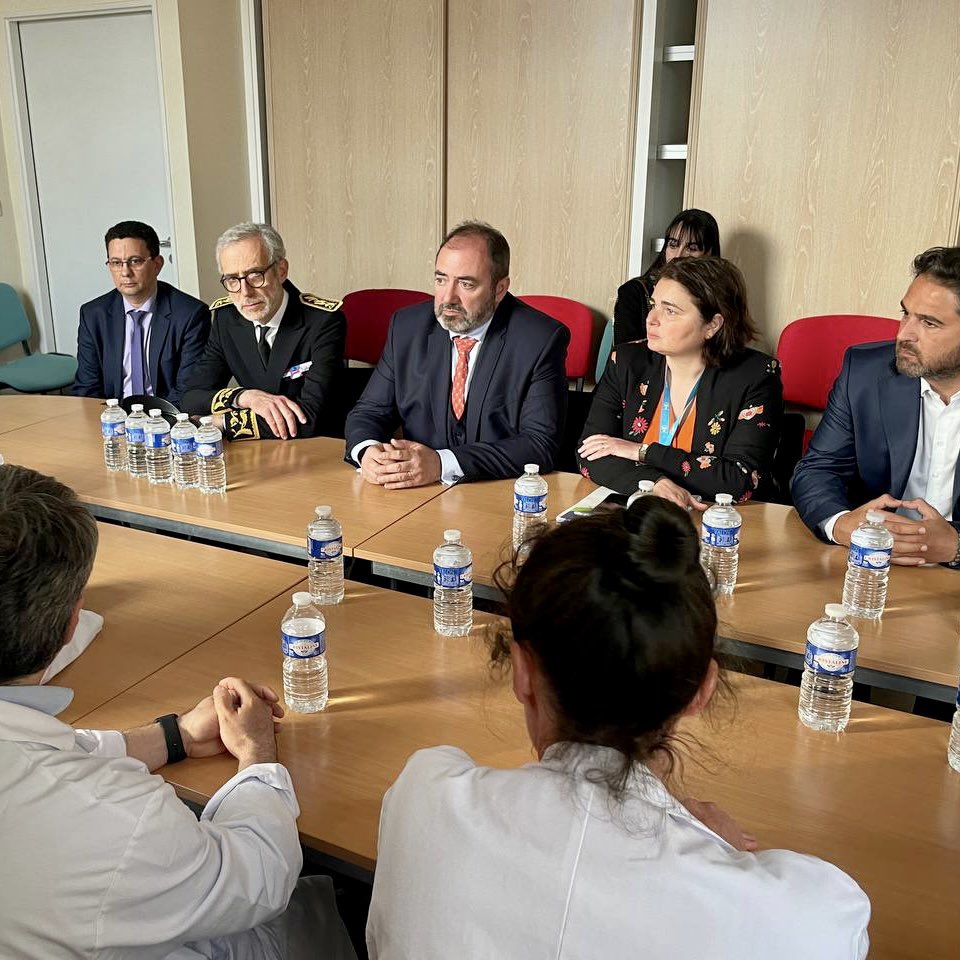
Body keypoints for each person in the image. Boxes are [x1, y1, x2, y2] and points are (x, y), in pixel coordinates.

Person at [366, 498, 870, 958]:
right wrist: (711, 844)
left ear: (521, 672)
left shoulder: (423, 798)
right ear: (702, 690)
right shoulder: (805, 919)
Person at [0, 464, 355, 959]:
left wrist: (176, 736)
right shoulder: (114, 815)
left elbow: (52, 755)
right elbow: (259, 881)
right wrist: (257, 755)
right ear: (72, 623)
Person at [344, 221, 569, 487]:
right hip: (417, 491)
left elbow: (539, 444)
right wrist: (367, 452)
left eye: (466, 284)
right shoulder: (407, 327)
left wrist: (442, 464)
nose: (448, 297)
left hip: (498, 492)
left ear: (499, 289)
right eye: (441, 280)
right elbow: (369, 412)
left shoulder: (539, 339)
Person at [792, 246, 960, 567]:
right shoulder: (865, 373)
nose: (904, 334)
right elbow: (818, 470)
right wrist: (841, 524)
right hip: (871, 565)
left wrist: (957, 547)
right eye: (906, 313)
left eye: (929, 323)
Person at [579, 256, 783, 507]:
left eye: (670, 311)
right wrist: (655, 482)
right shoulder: (626, 361)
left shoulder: (756, 375)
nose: (651, 319)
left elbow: (738, 480)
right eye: (653, 305)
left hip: (717, 520)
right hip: (640, 513)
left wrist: (641, 451)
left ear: (712, 325)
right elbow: (589, 452)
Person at [181, 223, 346, 441]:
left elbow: (309, 418)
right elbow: (191, 398)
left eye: (255, 275)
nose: (245, 292)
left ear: (281, 270)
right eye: (232, 279)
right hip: (257, 448)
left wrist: (219, 422)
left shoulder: (323, 322)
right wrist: (243, 397)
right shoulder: (226, 319)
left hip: (315, 446)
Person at [72, 221, 209, 406]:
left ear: (157, 264)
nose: (125, 272)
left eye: (135, 261)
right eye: (116, 263)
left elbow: (188, 390)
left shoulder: (190, 315)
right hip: (112, 417)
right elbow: (87, 389)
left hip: (166, 416)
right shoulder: (93, 315)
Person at [613, 208, 721, 345]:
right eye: (673, 245)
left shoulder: (718, 296)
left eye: (692, 248)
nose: (678, 256)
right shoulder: (633, 292)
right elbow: (625, 354)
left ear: (709, 254)